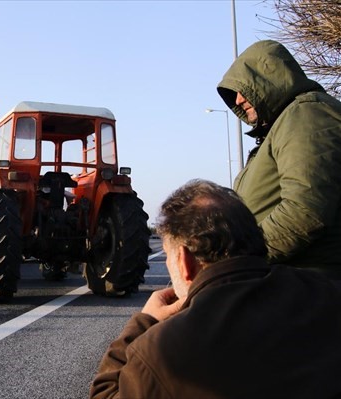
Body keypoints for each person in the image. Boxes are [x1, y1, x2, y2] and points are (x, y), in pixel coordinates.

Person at [89, 179, 341, 399]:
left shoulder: (161, 350)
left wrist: (144, 322)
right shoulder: (327, 294)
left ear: (184, 262)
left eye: (167, 255)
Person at [217, 39, 341, 278]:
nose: (238, 99)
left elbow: (305, 210)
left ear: (267, 81)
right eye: (234, 94)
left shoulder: (307, 114)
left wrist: (240, 259)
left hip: (310, 285)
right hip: (291, 280)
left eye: (244, 88)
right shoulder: (286, 122)